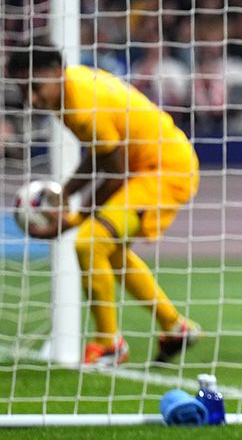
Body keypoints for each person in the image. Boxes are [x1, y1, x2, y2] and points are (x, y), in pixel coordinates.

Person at [6, 39, 201, 366]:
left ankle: (109, 343)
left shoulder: (81, 107)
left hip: (163, 170)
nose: (30, 98)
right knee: (109, 250)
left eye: (35, 87)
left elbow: (115, 172)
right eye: (23, 88)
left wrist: (74, 218)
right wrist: (67, 193)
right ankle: (175, 326)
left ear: (56, 72)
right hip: (153, 164)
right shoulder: (72, 89)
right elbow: (104, 153)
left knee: (89, 243)